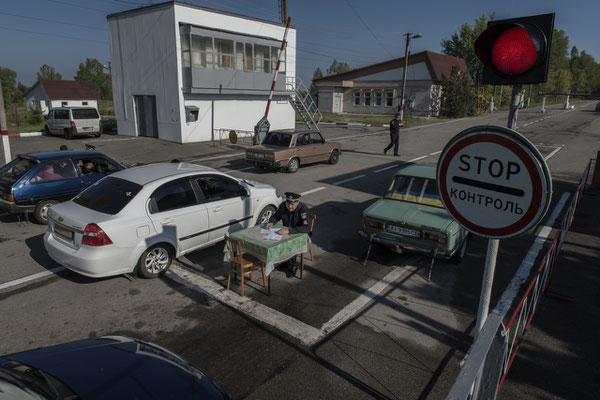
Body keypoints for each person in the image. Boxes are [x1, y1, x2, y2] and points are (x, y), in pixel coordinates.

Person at [266, 192, 311, 277]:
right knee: (273, 242)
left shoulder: (303, 208)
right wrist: (271, 222)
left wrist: (289, 231)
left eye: (292, 204)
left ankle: (292, 267)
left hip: (300, 234)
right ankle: (285, 262)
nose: (290, 207)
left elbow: (306, 228)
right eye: (288, 204)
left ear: (297, 202)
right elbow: (276, 216)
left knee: (290, 243)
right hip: (285, 232)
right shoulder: (283, 206)